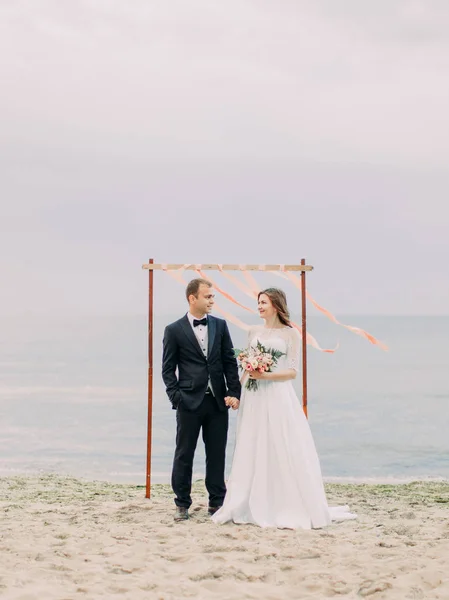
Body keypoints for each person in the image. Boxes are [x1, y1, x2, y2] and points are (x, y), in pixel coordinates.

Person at [212, 288, 356, 529]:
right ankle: (248, 499)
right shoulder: (253, 332)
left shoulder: (290, 334)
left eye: (263, 302)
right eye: (258, 302)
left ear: (276, 305)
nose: (259, 307)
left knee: (281, 442)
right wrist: (238, 393)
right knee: (253, 442)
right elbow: (246, 368)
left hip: (278, 394)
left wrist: (266, 375)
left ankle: (283, 502)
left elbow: (292, 371)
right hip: (254, 396)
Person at [162, 278, 241, 521]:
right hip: (188, 402)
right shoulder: (173, 330)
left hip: (217, 401)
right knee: (184, 453)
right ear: (192, 298)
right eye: (207, 296)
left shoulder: (220, 325)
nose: (212, 301)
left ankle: (216, 502)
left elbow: (229, 361)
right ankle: (182, 503)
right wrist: (177, 397)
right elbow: (168, 369)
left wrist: (234, 392)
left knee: (216, 454)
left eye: (213, 297)